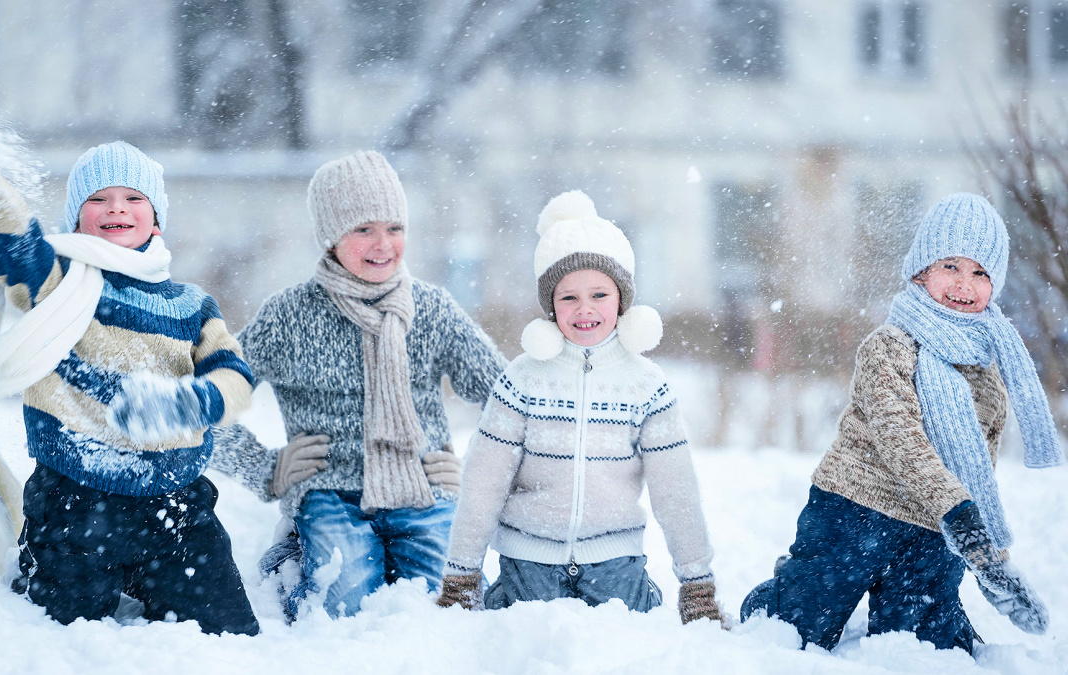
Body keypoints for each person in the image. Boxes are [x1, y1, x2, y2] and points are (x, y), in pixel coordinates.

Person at [0, 47, 259, 635]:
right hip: (74, 505)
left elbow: (236, 377)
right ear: (76, 219)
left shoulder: (192, 305)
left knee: (228, 635)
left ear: (157, 219)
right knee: (55, 637)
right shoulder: (60, 282)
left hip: (176, 506)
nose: (115, 206)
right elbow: (13, 240)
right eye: (98, 199)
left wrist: (190, 403)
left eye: (132, 198)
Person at [740, 193, 1060, 653]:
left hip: (933, 529)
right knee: (801, 629)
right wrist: (962, 519)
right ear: (921, 270)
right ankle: (786, 592)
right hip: (854, 512)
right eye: (950, 265)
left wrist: (991, 559)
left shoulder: (990, 372)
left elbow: (977, 473)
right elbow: (901, 441)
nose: (964, 284)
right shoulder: (888, 347)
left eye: (981, 272)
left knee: (925, 648)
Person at [209, 150, 506, 620]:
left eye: (394, 227)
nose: (382, 243)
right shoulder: (289, 315)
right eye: (363, 228)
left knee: (456, 607)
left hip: (423, 490)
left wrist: (472, 470)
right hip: (330, 494)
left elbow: (511, 401)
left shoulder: (432, 309)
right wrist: (265, 469)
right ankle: (293, 557)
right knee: (343, 605)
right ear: (330, 238)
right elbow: (203, 405)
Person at [435, 191, 724, 624]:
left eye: (599, 294)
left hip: (615, 564)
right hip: (528, 563)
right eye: (568, 297)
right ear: (550, 306)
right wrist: (461, 573)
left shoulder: (646, 385)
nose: (584, 309)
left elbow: (675, 489)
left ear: (622, 300)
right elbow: (484, 480)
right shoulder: (522, 379)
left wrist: (697, 582)